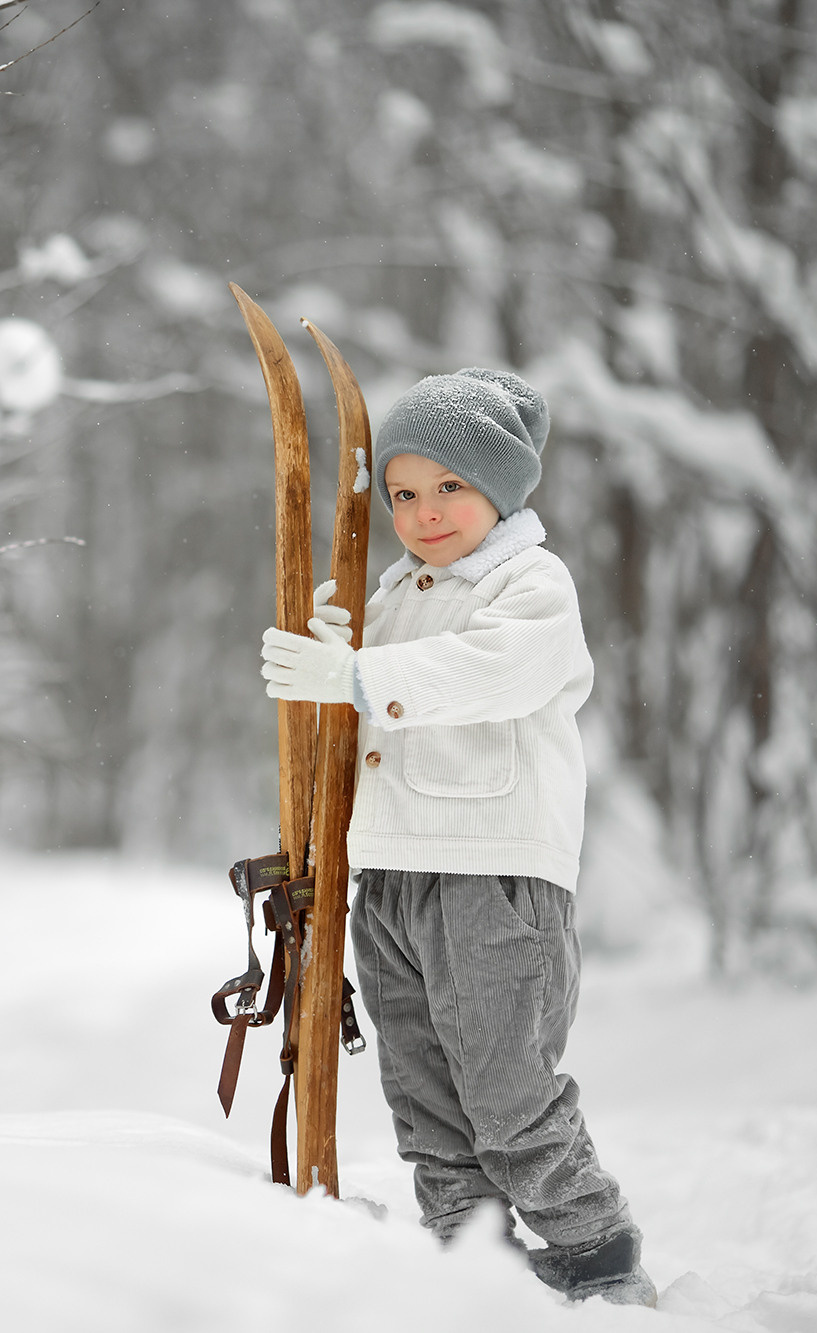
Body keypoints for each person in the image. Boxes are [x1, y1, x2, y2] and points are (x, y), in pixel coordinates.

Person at [258, 368, 655, 1308]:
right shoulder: (394, 592)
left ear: (502, 489)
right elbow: (370, 709)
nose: (425, 512)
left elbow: (492, 673)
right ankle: (467, 1255)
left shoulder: (532, 584)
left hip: (493, 875)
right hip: (391, 875)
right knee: (425, 1090)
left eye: (451, 488)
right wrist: (336, 655)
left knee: (507, 1087)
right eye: (403, 492)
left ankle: (594, 1247)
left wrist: (357, 673)